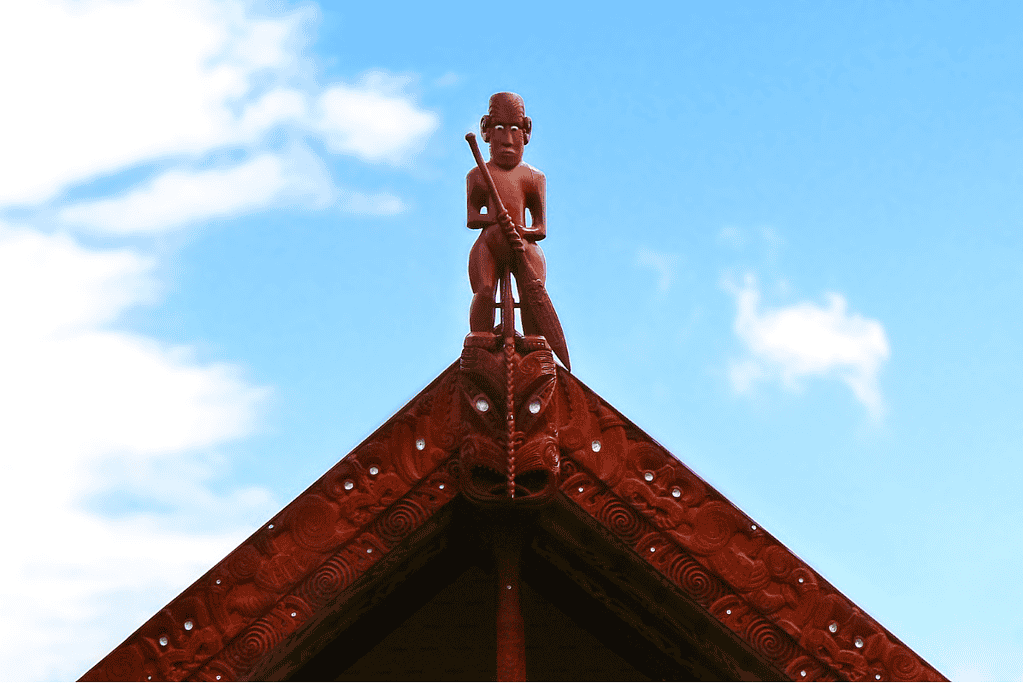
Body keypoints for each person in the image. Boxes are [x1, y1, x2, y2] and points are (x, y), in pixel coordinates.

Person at [466, 92, 547, 337]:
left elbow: (540, 227)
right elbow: (472, 217)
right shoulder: (478, 175)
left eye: (515, 129)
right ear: (486, 130)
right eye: (500, 128)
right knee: (485, 290)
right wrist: (492, 220)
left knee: (533, 292)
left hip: (522, 245)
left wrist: (524, 232)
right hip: (489, 244)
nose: (508, 140)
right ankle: (481, 337)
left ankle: (534, 338)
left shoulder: (534, 178)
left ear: (526, 131)